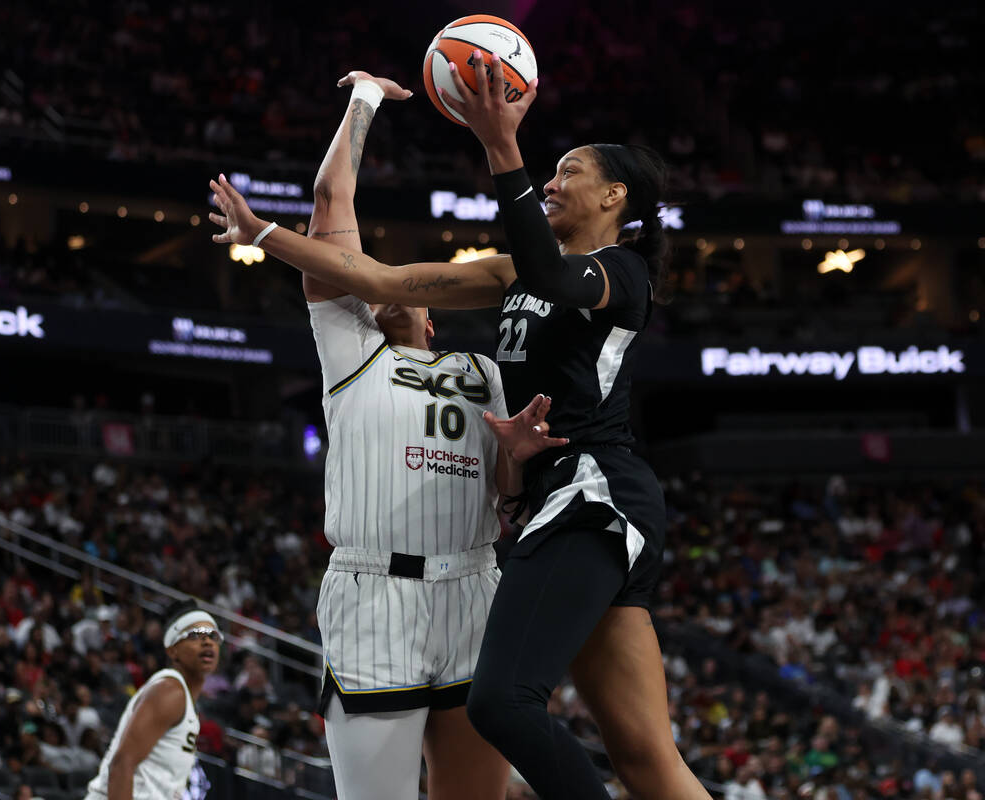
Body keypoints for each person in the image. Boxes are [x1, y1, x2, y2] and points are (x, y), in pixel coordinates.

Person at [208, 51, 708, 800]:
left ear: (614, 194)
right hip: (551, 506)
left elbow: (552, 275)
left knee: (505, 704)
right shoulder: (508, 274)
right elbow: (375, 277)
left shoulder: (620, 271)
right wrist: (262, 231)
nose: (551, 182)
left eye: (568, 171)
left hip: (596, 499)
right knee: (643, 756)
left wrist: (501, 143)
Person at [244, 69, 565, 800]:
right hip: (374, 589)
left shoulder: (485, 369)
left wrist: (515, 462)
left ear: (432, 316)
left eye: (401, 292)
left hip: (476, 586)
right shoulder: (353, 355)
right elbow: (331, 209)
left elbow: (507, 499)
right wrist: (362, 103)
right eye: (371, 288)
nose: (381, 295)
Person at [86, 600, 221, 800]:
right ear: (172, 649)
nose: (207, 642)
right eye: (194, 635)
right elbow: (122, 764)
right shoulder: (169, 691)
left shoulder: (182, 699)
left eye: (213, 636)